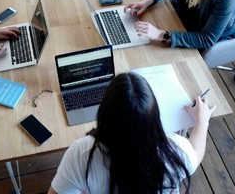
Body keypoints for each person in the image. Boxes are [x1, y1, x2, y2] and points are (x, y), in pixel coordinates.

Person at [48, 72, 216, 194]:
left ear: (104, 114)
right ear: (154, 117)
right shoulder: (175, 150)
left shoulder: (82, 154)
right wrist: (202, 121)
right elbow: (196, 153)